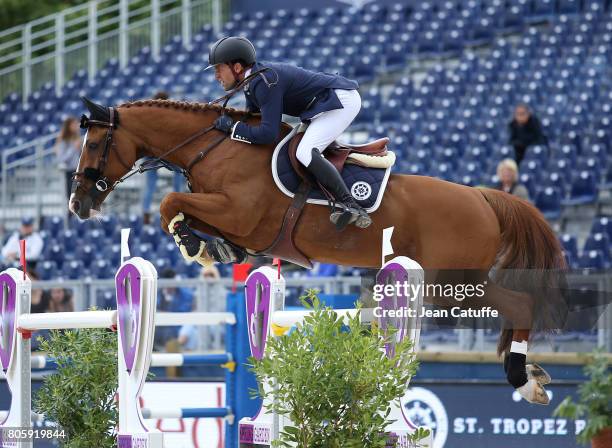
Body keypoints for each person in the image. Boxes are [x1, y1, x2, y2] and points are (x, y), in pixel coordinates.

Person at [206, 36, 372, 231]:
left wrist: (233, 128)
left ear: (236, 67)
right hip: (322, 106)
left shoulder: (263, 81)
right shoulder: (253, 81)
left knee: (304, 151)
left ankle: (351, 205)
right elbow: (253, 117)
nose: (216, 74)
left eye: (219, 68)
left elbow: (269, 133)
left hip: (339, 101)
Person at [142, 91, 185, 225]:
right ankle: (179, 206)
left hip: (152, 153)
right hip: (166, 153)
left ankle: (146, 211)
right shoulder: (169, 114)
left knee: (150, 184)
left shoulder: (148, 116)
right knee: (180, 173)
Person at [53, 116, 82, 204]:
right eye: (74, 124)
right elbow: (61, 158)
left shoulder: (78, 138)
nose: (77, 126)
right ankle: (71, 216)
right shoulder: (62, 140)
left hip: (79, 172)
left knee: (80, 197)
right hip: (71, 173)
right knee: (72, 197)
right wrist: (74, 148)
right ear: (68, 126)